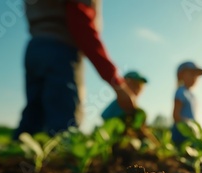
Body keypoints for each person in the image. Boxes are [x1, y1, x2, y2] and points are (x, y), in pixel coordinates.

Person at [13, 0, 137, 140]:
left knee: (33, 115)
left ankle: (15, 155)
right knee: (64, 126)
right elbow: (82, 27)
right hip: (61, 52)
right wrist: (118, 84)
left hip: (35, 47)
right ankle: (63, 157)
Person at [102, 71, 158, 145]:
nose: (139, 88)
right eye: (135, 84)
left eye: (140, 85)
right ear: (124, 84)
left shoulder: (137, 109)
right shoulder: (120, 104)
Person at [171, 61, 202, 146]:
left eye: (196, 75)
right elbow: (176, 115)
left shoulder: (192, 96)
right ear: (181, 75)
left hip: (191, 134)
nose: (195, 77)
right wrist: (190, 125)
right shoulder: (181, 92)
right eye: (191, 73)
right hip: (181, 133)